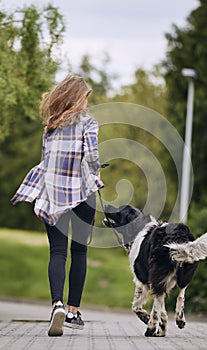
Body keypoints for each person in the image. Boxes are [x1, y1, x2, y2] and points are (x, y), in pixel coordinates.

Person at [11, 75, 104, 336]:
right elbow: (93, 157)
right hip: (83, 191)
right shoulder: (89, 123)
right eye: (86, 96)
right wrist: (98, 170)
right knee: (80, 251)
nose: (87, 101)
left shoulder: (50, 126)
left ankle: (57, 305)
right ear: (78, 97)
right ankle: (73, 311)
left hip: (54, 193)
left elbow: (46, 159)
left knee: (58, 252)